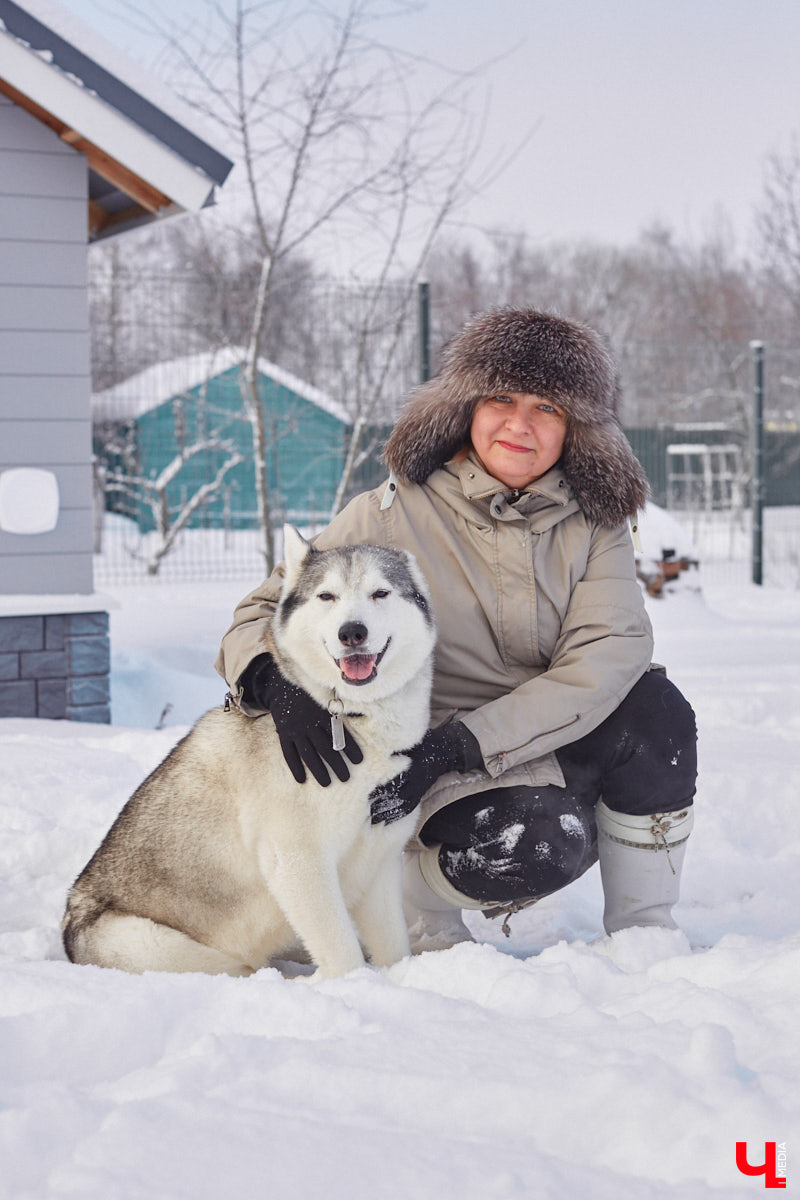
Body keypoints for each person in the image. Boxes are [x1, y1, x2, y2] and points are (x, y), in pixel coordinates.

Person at [215, 308, 697, 952]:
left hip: (516, 736)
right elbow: (258, 614)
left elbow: (608, 656)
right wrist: (278, 686)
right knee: (537, 847)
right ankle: (403, 888)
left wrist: (465, 744)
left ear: (575, 429)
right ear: (466, 407)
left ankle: (645, 935)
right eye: (500, 397)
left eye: (547, 407)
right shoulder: (386, 516)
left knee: (655, 710)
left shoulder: (596, 524)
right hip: (421, 763)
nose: (519, 424)